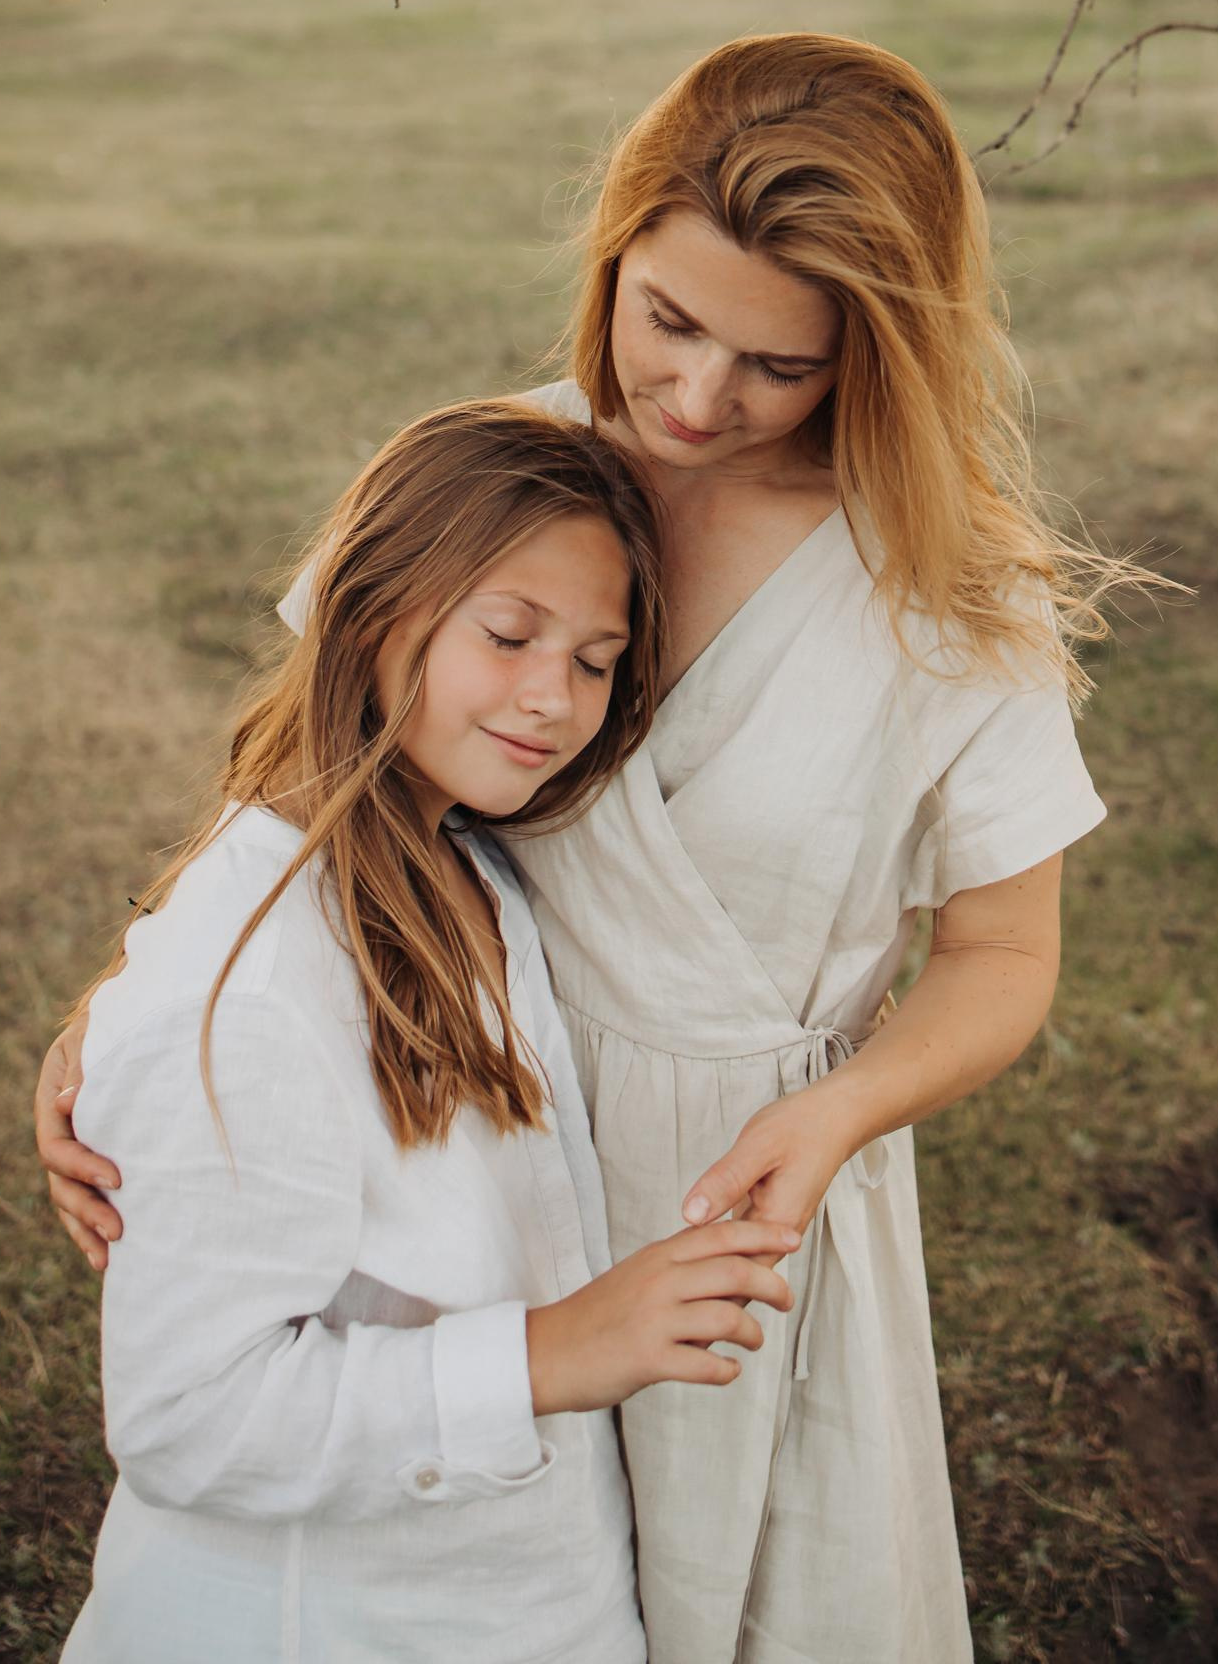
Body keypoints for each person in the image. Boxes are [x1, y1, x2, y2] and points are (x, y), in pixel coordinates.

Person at [43, 35, 1129, 1664]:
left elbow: (1002, 952)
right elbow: (313, 759)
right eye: (667, 320)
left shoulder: (952, 599)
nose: (696, 398)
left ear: (879, 356)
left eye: (777, 364)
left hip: (740, 1194)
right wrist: (134, 1005)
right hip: (460, 1140)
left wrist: (835, 1113)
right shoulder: (496, 478)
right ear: (613, 251)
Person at [57, 399, 799, 1664]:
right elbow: (188, 1420)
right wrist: (551, 1352)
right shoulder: (242, 993)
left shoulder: (472, 861)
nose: (551, 699)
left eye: (595, 658)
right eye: (507, 635)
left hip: (512, 1593)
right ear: (367, 609)